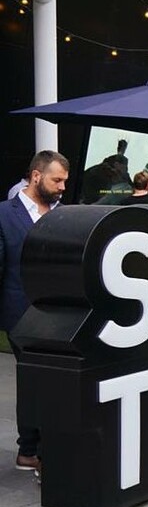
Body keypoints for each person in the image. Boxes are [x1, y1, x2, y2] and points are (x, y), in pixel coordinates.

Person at [0, 150, 69, 471]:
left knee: (45, 381)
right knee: (38, 379)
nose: (62, 187)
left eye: (65, 181)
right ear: (36, 176)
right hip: (20, 314)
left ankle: (32, 450)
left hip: (60, 316)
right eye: (57, 180)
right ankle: (36, 451)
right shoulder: (4, 214)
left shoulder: (65, 215)